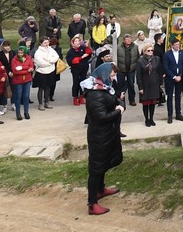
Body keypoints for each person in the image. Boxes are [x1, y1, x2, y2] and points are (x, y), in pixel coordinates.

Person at [83, 76, 125, 215]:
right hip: (98, 136)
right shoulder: (94, 95)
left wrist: (119, 102)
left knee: (103, 163)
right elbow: (102, 117)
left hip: (106, 134)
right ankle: (92, 204)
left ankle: (100, 190)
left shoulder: (105, 89)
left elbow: (115, 98)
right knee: (96, 168)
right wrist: (118, 110)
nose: (113, 77)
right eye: (112, 74)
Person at [135, 44, 163, 126]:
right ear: (144, 52)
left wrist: (161, 83)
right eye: (148, 50)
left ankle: (151, 118)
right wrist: (140, 87)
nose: (150, 52)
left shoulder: (156, 59)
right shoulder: (140, 61)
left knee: (152, 103)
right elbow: (138, 75)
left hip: (154, 83)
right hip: (145, 84)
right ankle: (146, 119)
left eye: (152, 50)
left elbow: (159, 72)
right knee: (146, 103)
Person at [163, 38, 183, 123]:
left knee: (178, 96)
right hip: (170, 79)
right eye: (176, 45)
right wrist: (173, 76)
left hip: (180, 78)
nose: (177, 46)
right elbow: (166, 67)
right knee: (169, 97)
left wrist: (180, 75)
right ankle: (170, 115)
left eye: (178, 44)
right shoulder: (167, 54)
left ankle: (178, 114)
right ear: (172, 45)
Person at [33, 38, 60, 110]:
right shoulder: (38, 52)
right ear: (41, 43)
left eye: (48, 42)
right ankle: (40, 104)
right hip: (41, 72)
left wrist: (49, 61)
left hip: (50, 71)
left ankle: (47, 102)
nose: (47, 44)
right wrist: (50, 63)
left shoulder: (51, 50)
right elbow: (40, 63)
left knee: (48, 87)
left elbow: (56, 57)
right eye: (45, 43)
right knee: (41, 88)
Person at [66, 35, 93, 106]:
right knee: (76, 83)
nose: (78, 42)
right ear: (72, 43)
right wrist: (80, 58)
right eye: (76, 41)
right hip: (75, 69)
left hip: (84, 68)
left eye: (79, 41)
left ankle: (81, 96)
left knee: (83, 82)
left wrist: (87, 47)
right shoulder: (70, 52)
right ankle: (75, 97)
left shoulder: (82, 48)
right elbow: (72, 61)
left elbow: (89, 53)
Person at [10, 45, 34, 120]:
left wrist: (22, 68)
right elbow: (15, 71)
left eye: (22, 52)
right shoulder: (14, 59)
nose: (20, 54)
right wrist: (27, 70)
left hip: (27, 80)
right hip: (18, 81)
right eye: (19, 52)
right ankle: (18, 113)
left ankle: (26, 112)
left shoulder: (28, 58)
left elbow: (31, 67)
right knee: (18, 97)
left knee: (26, 96)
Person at [116, 33, 140, 106]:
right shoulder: (119, 47)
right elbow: (116, 58)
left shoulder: (135, 47)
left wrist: (136, 67)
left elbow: (138, 57)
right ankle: (121, 100)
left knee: (131, 85)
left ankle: (132, 100)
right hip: (121, 69)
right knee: (120, 85)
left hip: (131, 69)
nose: (129, 40)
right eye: (127, 39)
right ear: (123, 40)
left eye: (130, 38)